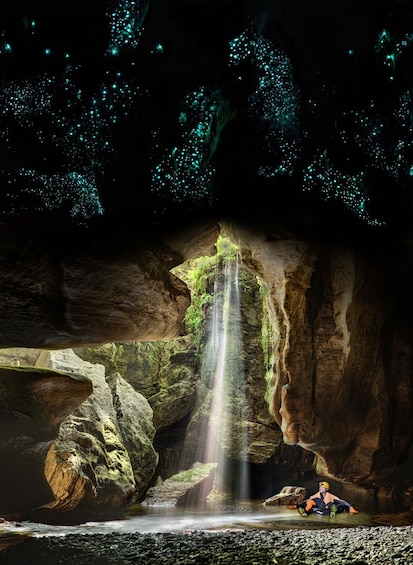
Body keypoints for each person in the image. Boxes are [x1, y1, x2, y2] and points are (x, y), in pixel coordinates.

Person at [294, 481, 359, 518]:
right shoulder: (317, 496)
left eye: (322, 488)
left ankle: (334, 511)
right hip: (321, 510)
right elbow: (307, 501)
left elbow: (341, 501)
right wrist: (297, 506)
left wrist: (350, 507)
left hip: (329, 508)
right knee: (311, 504)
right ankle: (305, 512)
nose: (320, 489)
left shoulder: (330, 496)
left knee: (335, 505)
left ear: (326, 489)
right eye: (320, 487)